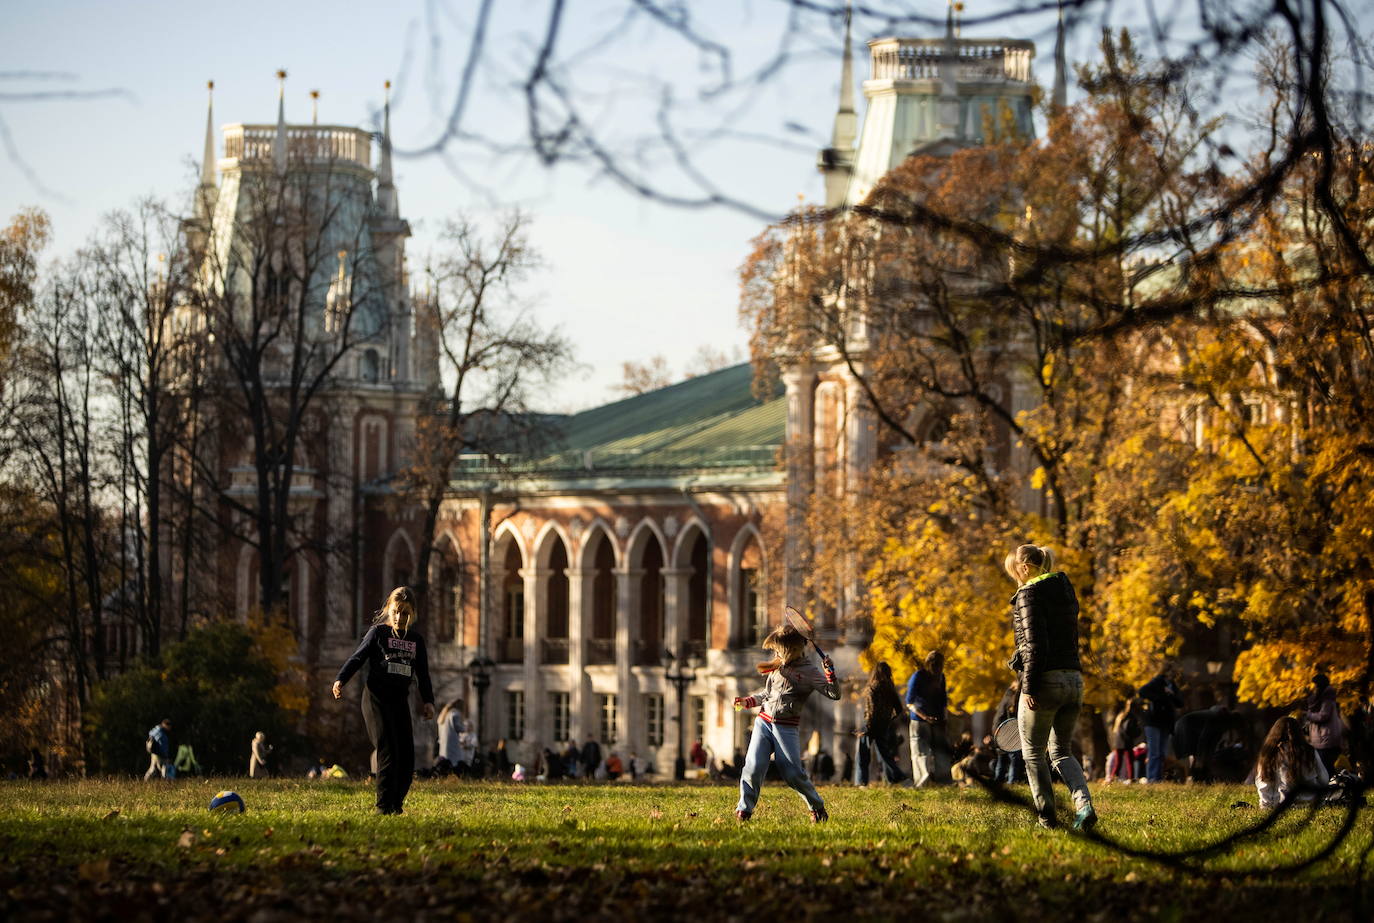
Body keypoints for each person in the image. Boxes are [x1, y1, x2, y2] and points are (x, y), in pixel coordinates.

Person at [1005, 543, 1095, 830]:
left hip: (1045, 681)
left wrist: (1028, 686)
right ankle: (1083, 805)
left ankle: (1047, 817)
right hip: (1074, 680)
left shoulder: (1028, 595)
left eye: (1016, 570)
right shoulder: (1065, 590)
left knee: (1033, 753)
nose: (1016, 577)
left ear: (1026, 567)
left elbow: (1034, 645)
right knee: (1062, 752)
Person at [332, 586, 435, 815]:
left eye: (405, 613)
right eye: (396, 612)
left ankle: (395, 805)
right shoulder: (378, 633)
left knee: (406, 756)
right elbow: (358, 657)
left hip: (399, 700)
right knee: (387, 749)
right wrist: (340, 680)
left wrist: (428, 702)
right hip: (376, 699)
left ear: (412, 614)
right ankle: (382, 807)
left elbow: (423, 674)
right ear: (389, 610)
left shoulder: (416, 641)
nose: (400, 618)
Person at [733, 624, 840, 822]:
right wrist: (748, 701)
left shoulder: (810, 672)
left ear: (790, 649)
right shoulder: (776, 668)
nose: (775, 653)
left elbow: (834, 694)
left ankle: (816, 807)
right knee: (753, 767)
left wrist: (830, 673)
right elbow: (767, 694)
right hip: (763, 723)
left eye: (778, 649)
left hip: (786, 727)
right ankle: (744, 810)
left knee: (792, 773)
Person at [1255, 715, 1329, 808]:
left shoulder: (1269, 753)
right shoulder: (1309, 751)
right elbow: (1324, 779)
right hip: (1310, 803)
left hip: (1280, 805)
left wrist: (1265, 805)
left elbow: (1263, 784)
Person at [854, 662, 908, 786]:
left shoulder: (872, 687)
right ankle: (898, 777)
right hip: (883, 725)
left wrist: (867, 727)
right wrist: (888, 719)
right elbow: (899, 709)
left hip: (870, 724)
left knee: (863, 755)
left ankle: (862, 782)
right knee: (885, 755)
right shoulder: (890, 688)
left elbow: (871, 709)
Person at [905, 651, 952, 786]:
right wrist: (925, 717)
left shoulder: (941, 677)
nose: (939, 668)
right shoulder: (918, 676)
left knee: (941, 753)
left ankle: (944, 782)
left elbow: (943, 700)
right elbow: (909, 702)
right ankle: (922, 783)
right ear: (929, 663)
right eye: (936, 664)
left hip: (938, 721)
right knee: (920, 753)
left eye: (941, 665)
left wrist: (944, 718)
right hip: (919, 722)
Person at [1138, 668, 1184, 783]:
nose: (1174, 675)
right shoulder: (1157, 681)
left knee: (1162, 753)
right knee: (1154, 752)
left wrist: (1171, 694)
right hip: (1153, 721)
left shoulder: (1172, 685)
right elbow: (1142, 691)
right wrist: (1161, 696)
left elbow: (1180, 702)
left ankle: (1158, 778)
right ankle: (1152, 778)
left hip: (1166, 723)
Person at [1306, 674, 1345, 775]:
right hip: (1321, 738)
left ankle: (1331, 788)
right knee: (1324, 767)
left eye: (1314, 685)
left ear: (1319, 686)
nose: (1313, 688)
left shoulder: (1327, 699)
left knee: (1326, 767)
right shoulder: (1319, 699)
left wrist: (1309, 715)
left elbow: (1323, 716)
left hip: (1326, 739)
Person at [993, 677, 1026, 784]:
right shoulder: (1012, 699)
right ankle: (1012, 782)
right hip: (1006, 730)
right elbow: (1014, 717)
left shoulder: (1006, 697)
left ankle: (998, 781)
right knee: (1014, 757)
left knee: (1001, 758)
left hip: (998, 729)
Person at [437, 699, 477, 777]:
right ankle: (458, 777)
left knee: (445, 762)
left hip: (444, 743)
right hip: (452, 743)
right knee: (455, 762)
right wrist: (466, 728)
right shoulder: (455, 714)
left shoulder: (444, 714)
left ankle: (444, 777)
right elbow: (458, 728)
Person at [1106, 697, 1140, 784]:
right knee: (1130, 761)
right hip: (1126, 741)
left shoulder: (1121, 715)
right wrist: (1137, 731)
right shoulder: (1131, 716)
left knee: (1118, 762)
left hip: (1118, 742)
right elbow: (1128, 729)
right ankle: (1131, 779)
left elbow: (1116, 730)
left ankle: (1113, 779)